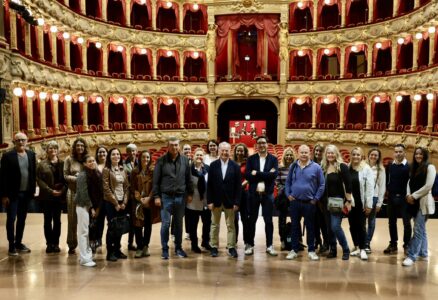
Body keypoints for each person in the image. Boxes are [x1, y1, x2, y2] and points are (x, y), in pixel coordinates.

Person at [152, 137, 193, 260]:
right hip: (166, 197)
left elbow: (188, 179)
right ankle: (165, 249)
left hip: (180, 197)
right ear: (167, 146)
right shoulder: (161, 161)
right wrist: (156, 196)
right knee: (165, 224)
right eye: (172, 145)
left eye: (176, 145)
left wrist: (190, 193)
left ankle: (178, 248)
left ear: (179, 146)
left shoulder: (185, 160)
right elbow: (156, 181)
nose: (174, 147)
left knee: (179, 225)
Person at [285, 144, 325, 261]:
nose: (303, 154)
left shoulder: (316, 167)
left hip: (309, 203)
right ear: (298, 153)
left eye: (306, 152)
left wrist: (315, 199)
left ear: (309, 153)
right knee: (294, 227)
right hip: (295, 202)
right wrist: (288, 195)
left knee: (310, 227)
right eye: (301, 152)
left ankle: (311, 250)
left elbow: (322, 185)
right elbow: (287, 183)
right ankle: (294, 249)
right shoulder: (293, 166)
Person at [1, 133, 36, 256]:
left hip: (26, 193)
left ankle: (18, 242)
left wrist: (32, 191)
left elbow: (33, 173)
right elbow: (3, 177)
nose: (21, 142)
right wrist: (4, 195)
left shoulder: (31, 155)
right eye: (18, 140)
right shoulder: (7, 156)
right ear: (14, 141)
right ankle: (11, 245)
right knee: (11, 219)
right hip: (12, 194)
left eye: (23, 140)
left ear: (27, 141)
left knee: (22, 219)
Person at [402, 147, 436, 266]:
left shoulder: (430, 167)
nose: (418, 156)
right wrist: (407, 195)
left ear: (425, 155)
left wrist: (414, 196)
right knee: (421, 229)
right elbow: (408, 182)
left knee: (417, 230)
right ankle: (423, 252)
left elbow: (428, 186)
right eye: (416, 154)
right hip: (412, 202)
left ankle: (412, 256)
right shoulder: (413, 167)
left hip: (423, 203)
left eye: (421, 154)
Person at [245, 136, 279, 256]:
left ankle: (269, 246)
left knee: (268, 220)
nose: (261, 145)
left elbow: (273, 175)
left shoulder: (273, 159)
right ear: (256, 145)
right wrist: (266, 174)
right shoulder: (251, 159)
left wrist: (257, 173)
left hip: (267, 194)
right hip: (254, 194)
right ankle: (250, 245)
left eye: (263, 143)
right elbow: (248, 175)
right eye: (259, 143)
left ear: (267, 144)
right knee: (252, 220)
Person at [207, 142, 241, 258]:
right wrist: (209, 201)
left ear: (230, 151)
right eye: (223, 150)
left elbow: (238, 187)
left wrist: (237, 202)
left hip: (230, 201)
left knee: (231, 225)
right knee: (214, 225)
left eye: (227, 150)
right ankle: (214, 247)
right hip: (216, 200)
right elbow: (209, 185)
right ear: (219, 151)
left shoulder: (235, 166)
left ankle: (231, 247)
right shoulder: (213, 165)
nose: (225, 152)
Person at [320, 145, 353, 260]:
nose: (330, 155)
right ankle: (333, 250)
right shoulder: (324, 166)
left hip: (337, 202)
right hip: (325, 202)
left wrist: (348, 201)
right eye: (328, 153)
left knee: (335, 226)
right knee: (329, 228)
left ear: (336, 154)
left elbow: (349, 185)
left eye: (332, 153)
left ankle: (345, 249)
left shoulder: (342, 166)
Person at [36, 141, 66, 254]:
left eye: (55, 148)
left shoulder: (63, 163)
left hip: (59, 197)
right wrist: (50, 191)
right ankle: (49, 244)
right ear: (47, 150)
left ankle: (56, 243)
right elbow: (39, 180)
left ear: (58, 150)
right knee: (47, 221)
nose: (53, 150)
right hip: (47, 197)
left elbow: (66, 179)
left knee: (57, 221)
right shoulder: (41, 164)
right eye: (50, 148)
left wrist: (62, 191)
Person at [103, 148, 130, 262]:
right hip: (110, 202)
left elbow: (127, 187)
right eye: (113, 154)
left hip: (121, 202)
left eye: (118, 154)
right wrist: (115, 203)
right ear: (109, 156)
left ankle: (118, 250)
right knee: (112, 227)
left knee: (120, 227)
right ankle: (110, 252)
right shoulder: (106, 170)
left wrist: (124, 202)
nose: (116, 156)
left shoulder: (122, 169)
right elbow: (106, 188)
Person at [131, 150, 160, 258]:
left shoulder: (153, 171)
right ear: (140, 158)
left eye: (147, 157)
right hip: (138, 202)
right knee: (138, 226)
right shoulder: (135, 171)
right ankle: (139, 247)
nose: (145, 159)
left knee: (148, 225)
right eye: (143, 157)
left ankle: (145, 246)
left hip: (149, 202)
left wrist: (149, 198)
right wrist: (139, 199)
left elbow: (155, 186)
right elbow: (132, 187)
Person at [384, 144, 412, 254]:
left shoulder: (409, 166)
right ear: (393, 153)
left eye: (400, 151)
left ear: (404, 153)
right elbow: (387, 180)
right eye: (396, 151)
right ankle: (393, 244)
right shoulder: (390, 165)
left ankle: (407, 245)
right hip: (391, 197)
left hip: (405, 199)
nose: (398, 153)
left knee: (407, 223)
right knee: (391, 222)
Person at [348, 147, 374, 261]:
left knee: (361, 226)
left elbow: (369, 188)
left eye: (358, 155)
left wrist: (369, 205)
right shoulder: (347, 168)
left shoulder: (366, 169)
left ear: (362, 156)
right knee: (352, 226)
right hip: (350, 203)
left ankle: (363, 249)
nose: (355, 157)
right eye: (354, 154)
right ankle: (357, 247)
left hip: (361, 203)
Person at [75, 154, 101, 267]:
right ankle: (84, 258)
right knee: (83, 232)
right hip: (82, 205)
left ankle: (86, 255)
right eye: (89, 161)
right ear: (85, 164)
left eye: (93, 161)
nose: (92, 163)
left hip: (90, 206)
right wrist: (91, 208)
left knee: (87, 232)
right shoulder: (82, 175)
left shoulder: (97, 174)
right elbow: (84, 194)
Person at [64, 138, 88, 254]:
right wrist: (77, 179)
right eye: (78, 145)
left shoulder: (87, 159)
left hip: (85, 193)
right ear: (74, 147)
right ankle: (72, 243)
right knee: (72, 219)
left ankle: (87, 244)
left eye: (82, 146)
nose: (80, 148)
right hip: (72, 191)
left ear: (85, 147)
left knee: (85, 220)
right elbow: (65, 175)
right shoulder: (69, 159)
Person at [185, 148, 211, 253]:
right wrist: (188, 195)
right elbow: (185, 184)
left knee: (207, 223)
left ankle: (205, 242)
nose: (199, 157)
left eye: (201, 155)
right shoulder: (189, 169)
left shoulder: (208, 168)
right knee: (193, 225)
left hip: (205, 200)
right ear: (193, 156)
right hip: (193, 200)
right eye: (197, 155)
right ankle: (194, 244)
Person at [365, 148, 386, 253]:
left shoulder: (381, 170)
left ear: (378, 157)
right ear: (368, 155)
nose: (373, 156)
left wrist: (379, 202)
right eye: (371, 154)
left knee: (371, 222)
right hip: (363, 197)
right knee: (361, 222)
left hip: (374, 197)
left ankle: (367, 243)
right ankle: (361, 242)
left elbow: (382, 187)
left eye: (375, 155)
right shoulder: (363, 166)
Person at [275, 147, 295, 251]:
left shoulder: (296, 168)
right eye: (287, 155)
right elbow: (277, 182)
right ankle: (283, 240)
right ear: (284, 156)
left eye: (290, 155)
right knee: (282, 220)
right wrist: (285, 190)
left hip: (293, 197)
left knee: (295, 219)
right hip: (283, 197)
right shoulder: (280, 168)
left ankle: (295, 240)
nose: (289, 157)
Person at [312, 143, 328, 253]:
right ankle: (317, 241)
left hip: (323, 198)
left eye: (320, 151)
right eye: (316, 151)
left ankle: (326, 243)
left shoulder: (326, 165)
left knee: (324, 223)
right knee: (314, 222)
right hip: (312, 197)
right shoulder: (310, 163)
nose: (318, 153)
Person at [232, 143, 249, 248]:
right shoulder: (231, 163)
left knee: (245, 218)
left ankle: (247, 242)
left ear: (245, 152)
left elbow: (249, 178)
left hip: (244, 193)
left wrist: (239, 186)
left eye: (241, 150)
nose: (239, 152)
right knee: (234, 219)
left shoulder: (248, 163)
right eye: (238, 150)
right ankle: (233, 241)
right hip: (233, 194)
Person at [92, 146, 108, 253]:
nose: (102, 154)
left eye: (104, 152)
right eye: (100, 152)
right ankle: (97, 240)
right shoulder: (94, 166)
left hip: (109, 197)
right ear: (97, 154)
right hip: (97, 198)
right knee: (98, 220)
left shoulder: (110, 165)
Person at [124, 143, 139, 251]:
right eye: (130, 151)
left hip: (139, 195)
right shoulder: (124, 164)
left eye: (134, 151)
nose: (132, 153)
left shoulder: (140, 162)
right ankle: (129, 242)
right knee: (130, 220)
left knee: (138, 219)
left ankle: (136, 242)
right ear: (127, 152)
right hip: (128, 195)